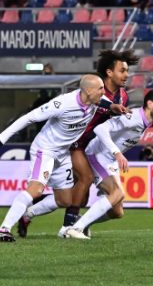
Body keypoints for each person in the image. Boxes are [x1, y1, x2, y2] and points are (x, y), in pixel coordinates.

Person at [17, 49, 139, 239]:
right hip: (75, 142)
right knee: (85, 179)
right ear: (109, 72)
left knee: (77, 196)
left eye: (126, 70)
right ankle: (69, 225)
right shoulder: (92, 89)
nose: (126, 75)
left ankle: (28, 214)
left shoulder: (122, 96)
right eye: (122, 70)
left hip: (95, 147)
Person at [0, 74, 119, 242]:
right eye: (100, 88)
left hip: (63, 153)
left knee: (65, 200)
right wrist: (1, 138)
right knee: (36, 189)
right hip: (45, 150)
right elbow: (29, 117)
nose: (103, 92)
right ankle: (3, 229)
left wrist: (114, 106)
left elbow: (105, 101)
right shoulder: (62, 104)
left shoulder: (95, 99)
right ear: (87, 90)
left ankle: (27, 214)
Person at [65, 89, 153, 239]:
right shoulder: (133, 117)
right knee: (117, 193)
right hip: (96, 154)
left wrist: (115, 155)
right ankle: (75, 228)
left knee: (117, 212)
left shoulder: (144, 122)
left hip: (109, 160)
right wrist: (117, 153)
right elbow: (100, 129)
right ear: (150, 104)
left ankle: (82, 222)